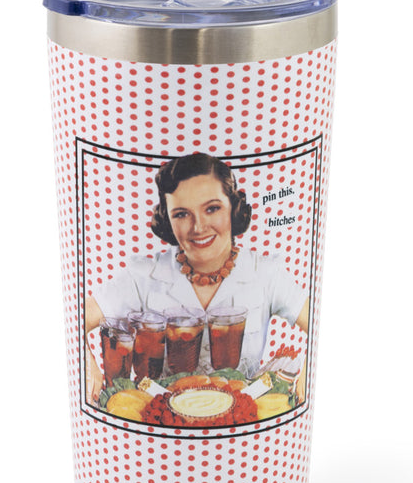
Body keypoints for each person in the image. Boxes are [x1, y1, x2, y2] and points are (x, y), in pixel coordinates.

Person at [84, 153, 309, 404]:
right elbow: (77, 318)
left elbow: (319, 319)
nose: (198, 227)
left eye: (212, 209)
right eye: (181, 214)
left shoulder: (265, 273)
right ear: (167, 219)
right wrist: (87, 364)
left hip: (241, 418)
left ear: (233, 207)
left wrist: (308, 374)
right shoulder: (144, 275)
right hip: (160, 419)